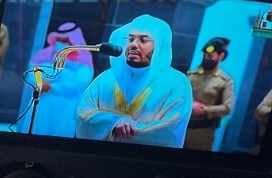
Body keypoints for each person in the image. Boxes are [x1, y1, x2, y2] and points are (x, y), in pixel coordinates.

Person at [74, 15, 193, 147]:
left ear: (159, 46)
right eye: (130, 39)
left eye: (143, 40)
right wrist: (114, 122)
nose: (133, 45)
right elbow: (82, 114)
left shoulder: (176, 83)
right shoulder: (107, 78)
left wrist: (121, 131)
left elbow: (169, 131)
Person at [26, 21, 95, 137]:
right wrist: (39, 82)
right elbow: (32, 73)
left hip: (65, 108)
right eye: (59, 40)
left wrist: (52, 87)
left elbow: (79, 84)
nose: (61, 43)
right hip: (41, 105)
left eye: (65, 41)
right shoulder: (45, 54)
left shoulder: (83, 60)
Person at [184, 37, 236, 152]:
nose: (206, 58)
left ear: (221, 56)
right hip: (182, 128)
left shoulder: (225, 81)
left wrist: (203, 110)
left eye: (210, 56)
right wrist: (189, 105)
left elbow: (227, 108)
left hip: (203, 133)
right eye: (205, 56)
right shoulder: (191, 75)